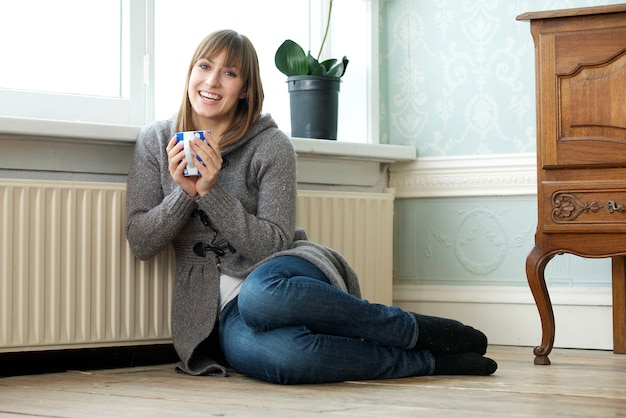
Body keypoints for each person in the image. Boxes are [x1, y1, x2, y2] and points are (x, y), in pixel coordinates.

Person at [125, 29, 497, 385]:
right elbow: (141, 242)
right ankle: (426, 361)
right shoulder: (156, 140)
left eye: (229, 73)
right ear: (190, 72)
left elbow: (273, 244)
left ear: (245, 89)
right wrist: (184, 193)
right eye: (204, 66)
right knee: (288, 359)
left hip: (282, 272)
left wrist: (212, 192)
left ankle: (407, 328)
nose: (212, 81)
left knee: (260, 297)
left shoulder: (271, 145)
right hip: (224, 312)